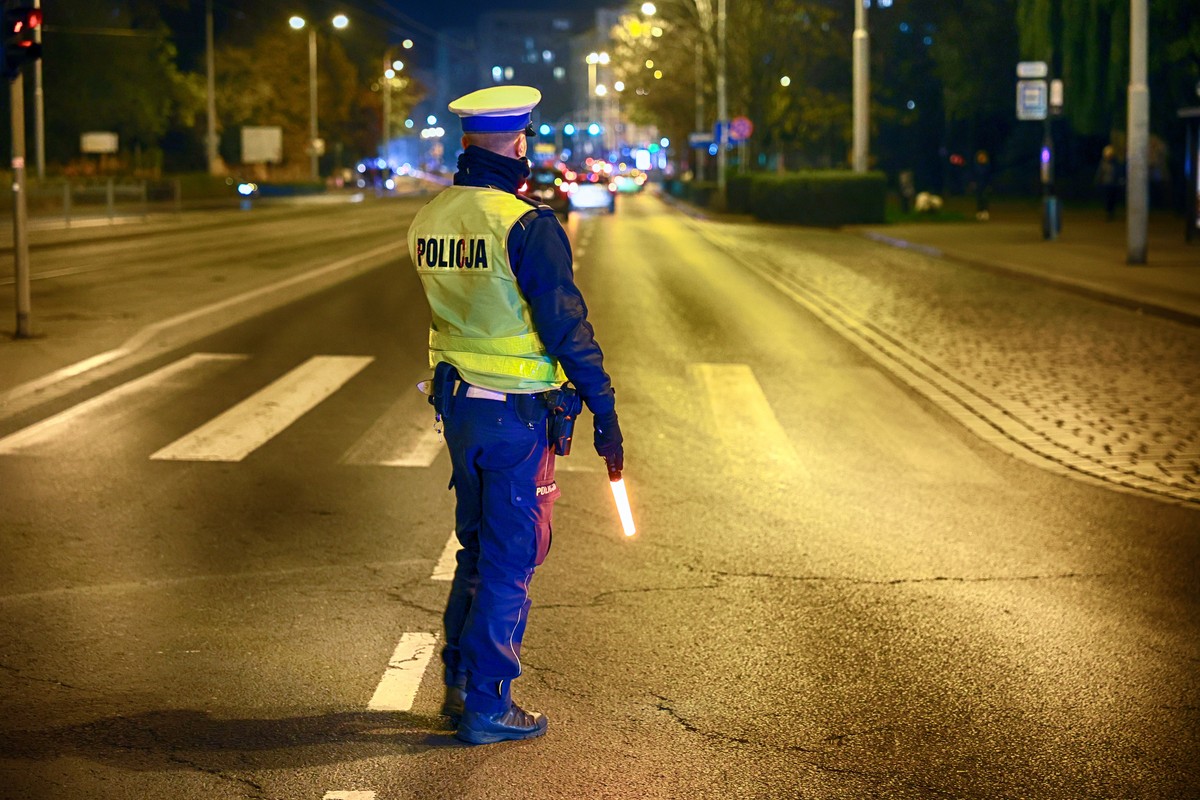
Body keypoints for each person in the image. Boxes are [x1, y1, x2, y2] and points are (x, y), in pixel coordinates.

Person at [406, 85, 623, 745]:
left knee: (476, 551)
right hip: (516, 422)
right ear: (519, 143)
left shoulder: (431, 220)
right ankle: (488, 704)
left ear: (467, 143)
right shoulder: (525, 224)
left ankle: (457, 685)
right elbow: (566, 326)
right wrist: (605, 406)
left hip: (460, 411)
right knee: (509, 559)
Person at [1095, 145, 1123, 221]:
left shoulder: (1116, 163)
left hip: (1113, 184)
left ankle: (1111, 212)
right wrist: (1098, 180)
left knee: (1113, 199)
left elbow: (1119, 172)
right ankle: (1108, 212)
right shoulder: (1103, 163)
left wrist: (1120, 180)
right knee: (1107, 199)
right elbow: (1100, 172)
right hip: (1106, 184)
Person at [972, 150, 991, 221]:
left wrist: (989, 185)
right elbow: (974, 176)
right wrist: (973, 183)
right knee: (979, 199)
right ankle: (979, 213)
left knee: (985, 198)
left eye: (983, 157)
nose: (981, 158)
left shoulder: (987, 167)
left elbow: (989, 177)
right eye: (980, 157)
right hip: (978, 185)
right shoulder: (976, 167)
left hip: (985, 185)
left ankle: (985, 213)